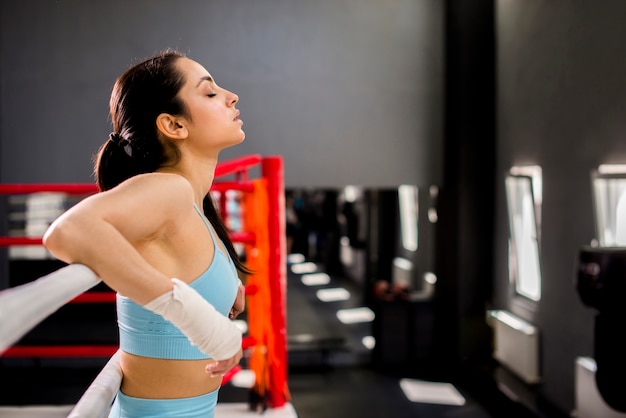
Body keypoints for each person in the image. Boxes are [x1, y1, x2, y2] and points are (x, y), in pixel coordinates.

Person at [43, 49, 249, 417]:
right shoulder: (170, 189)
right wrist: (196, 315)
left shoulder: (193, 203)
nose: (231, 96)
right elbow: (68, 231)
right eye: (210, 92)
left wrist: (223, 285)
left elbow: (179, 267)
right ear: (173, 125)